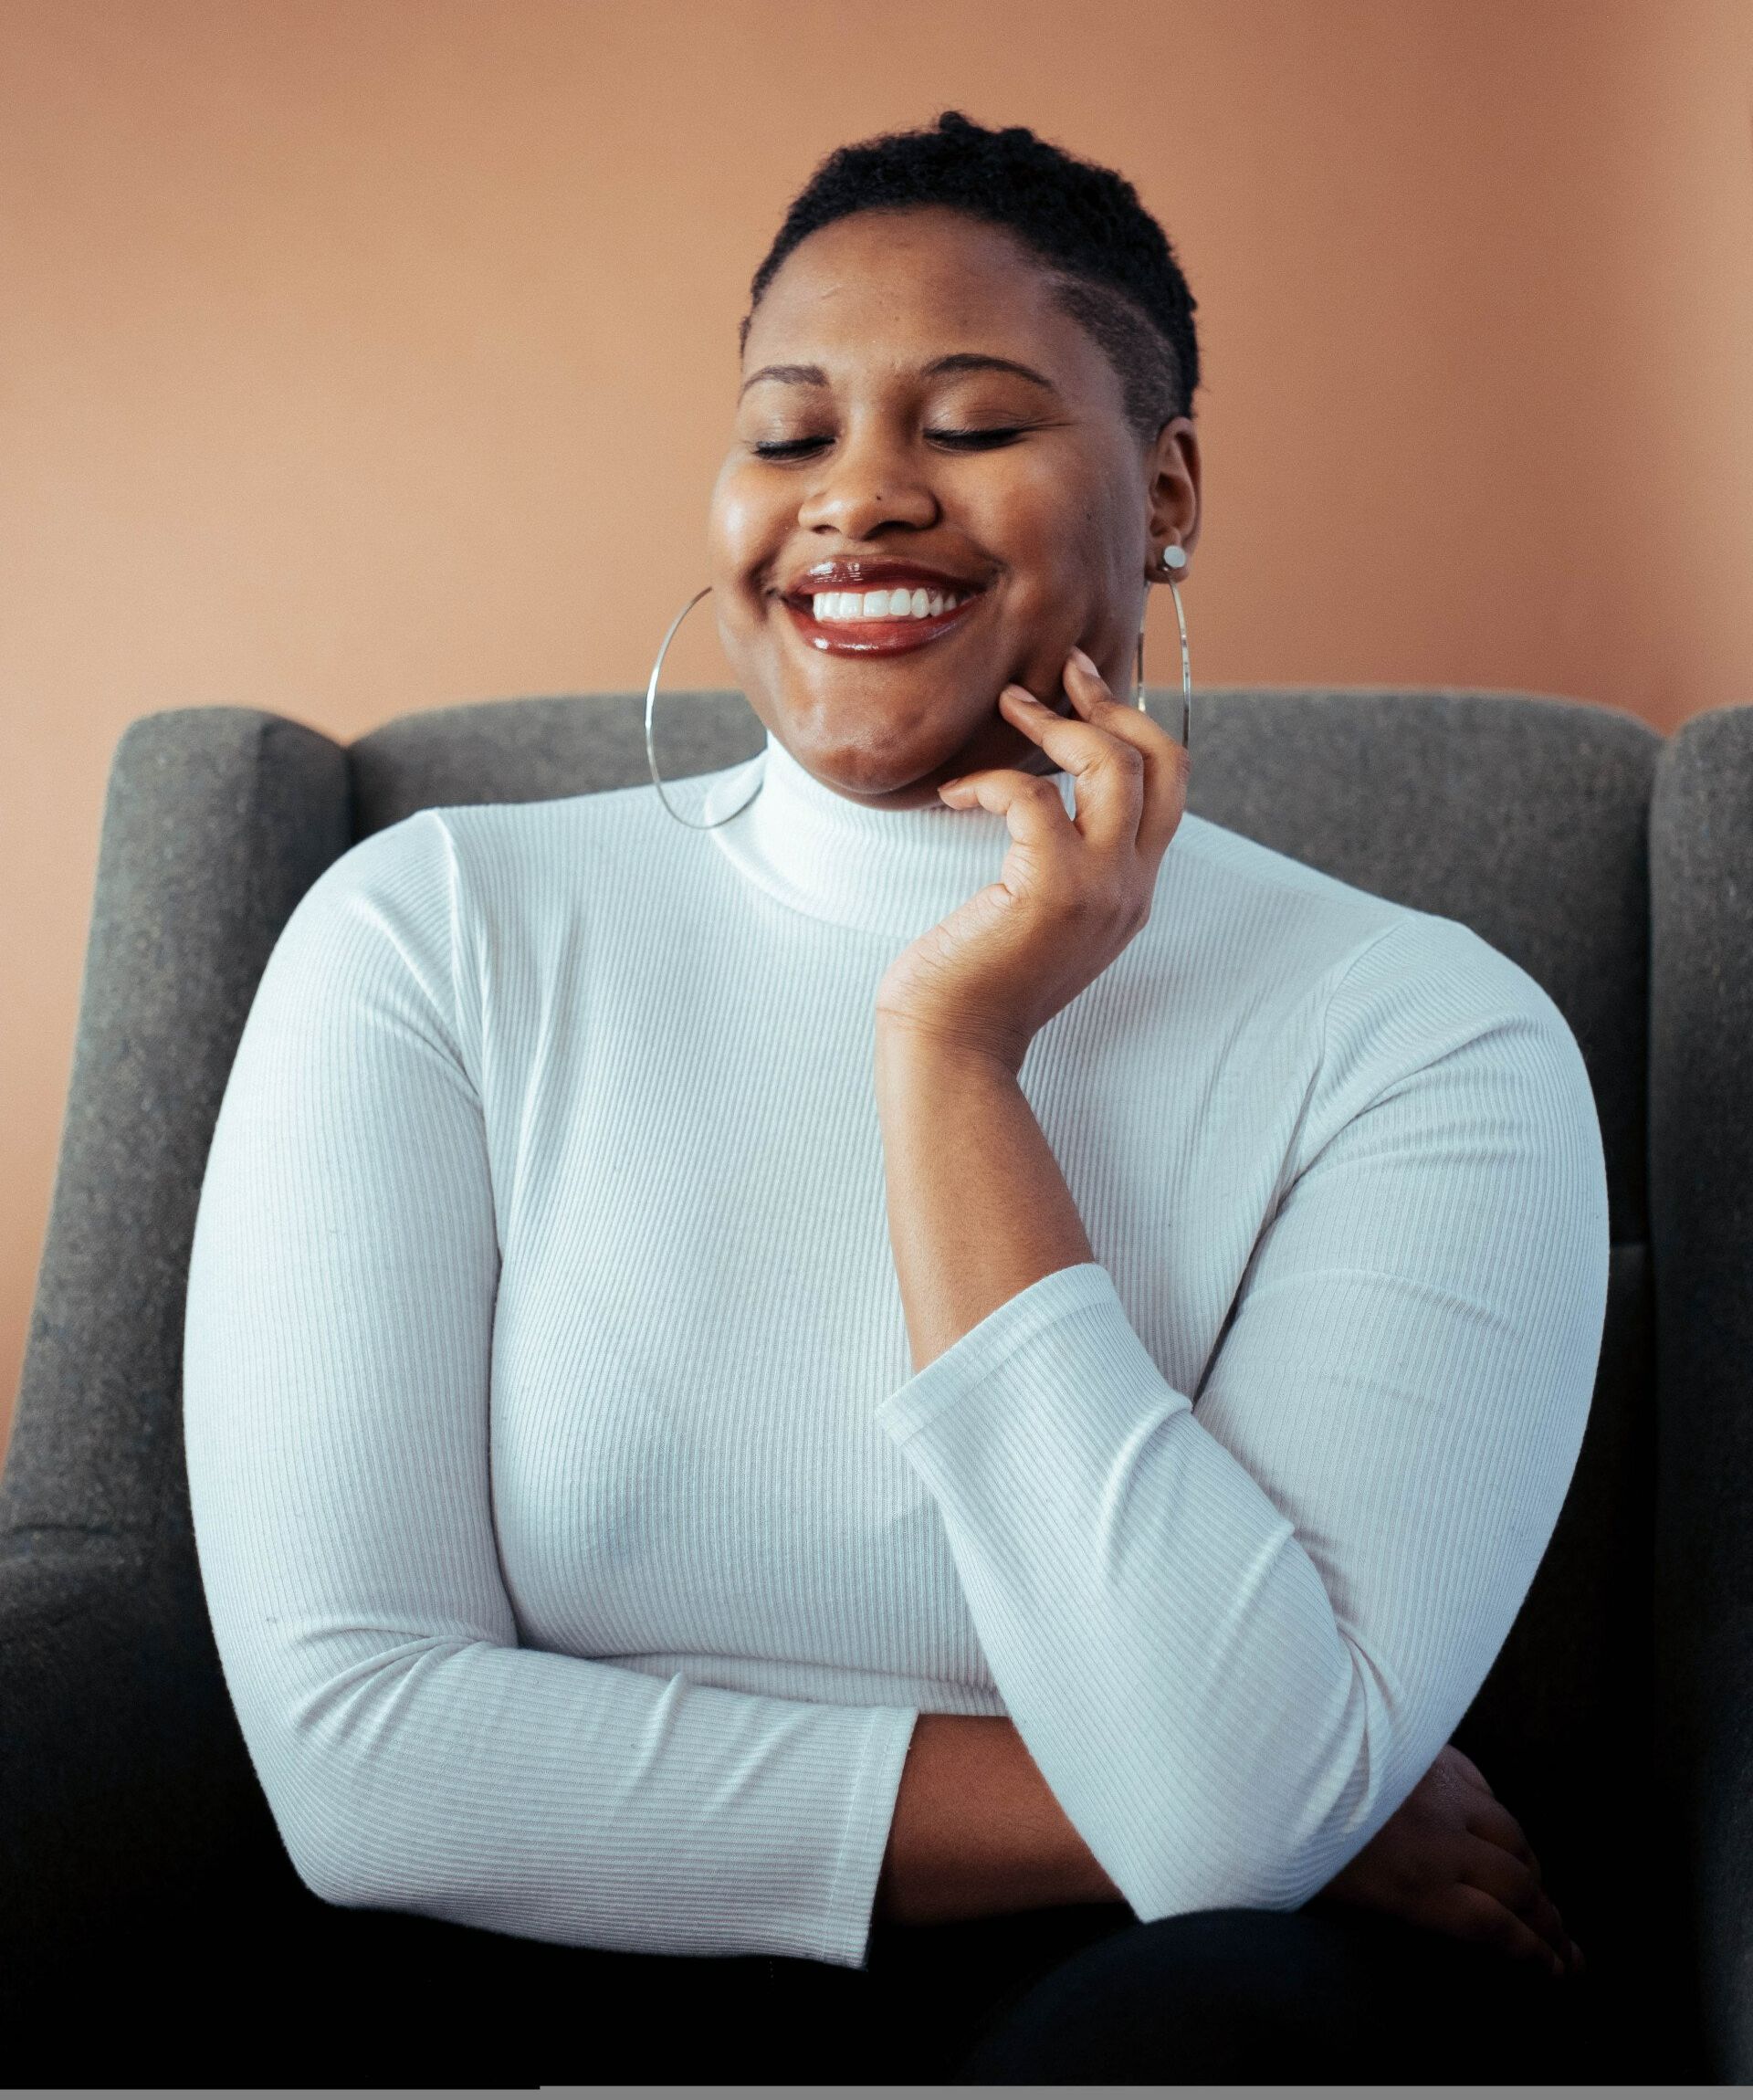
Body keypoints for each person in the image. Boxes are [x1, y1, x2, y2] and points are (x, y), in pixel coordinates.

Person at [182, 111, 1611, 2084]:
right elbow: (361, 1764)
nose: (855, 502)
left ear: (1168, 485)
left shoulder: (1428, 1037)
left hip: (1140, 2016)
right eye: (788, 434)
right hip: (542, 1972)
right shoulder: (433, 931)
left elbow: (1217, 1845)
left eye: (970, 424)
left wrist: (956, 1057)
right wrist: (1268, 1801)